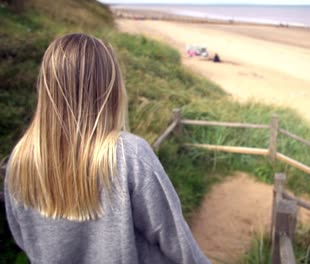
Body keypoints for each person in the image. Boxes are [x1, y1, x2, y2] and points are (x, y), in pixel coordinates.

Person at [4, 33, 210, 264]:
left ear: (46, 88)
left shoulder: (19, 159)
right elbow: (178, 243)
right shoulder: (128, 155)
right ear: (110, 88)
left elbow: (25, 237)